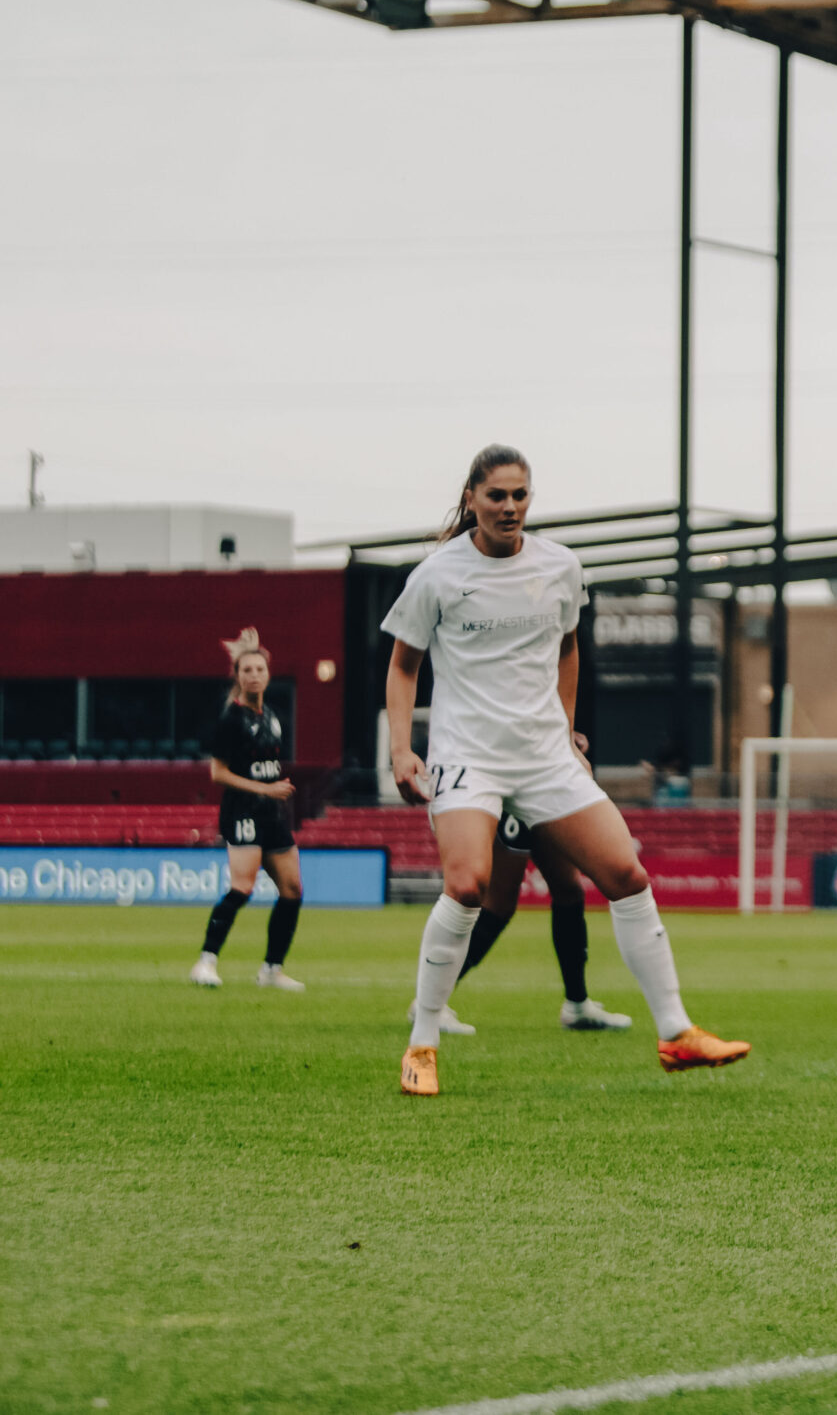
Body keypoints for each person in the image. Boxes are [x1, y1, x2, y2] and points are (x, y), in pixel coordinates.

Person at [383, 444, 748, 1096]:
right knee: (467, 885)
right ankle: (424, 1040)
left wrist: (567, 726)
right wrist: (401, 749)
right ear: (472, 498)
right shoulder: (437, 574)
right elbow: (404, 665)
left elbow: (567, 646)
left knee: (627, 875)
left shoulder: (560, 566)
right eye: (497, 495)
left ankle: (676, 1032)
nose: (510, 507)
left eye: (520, 494)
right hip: (467, 753)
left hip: (544, 754)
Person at [405, 814, 635, 1037]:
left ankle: (577, 1004)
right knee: (499, 903)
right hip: (514, 790)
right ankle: (430, 1002)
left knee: (568, 889)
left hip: (545, 787)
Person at [189, 630, 305, 991]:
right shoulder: (231, 719)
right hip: (242, 812)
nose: (254, 675)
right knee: (242, 887)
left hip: (271, 814)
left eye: (259, 669)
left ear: (268, 674)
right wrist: (266, 788)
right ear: (237, 676)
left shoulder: (272, 715)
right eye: (246, 669)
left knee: (293, 890)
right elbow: (218, 773)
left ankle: (272, 970)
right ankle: (206, 961)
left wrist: (274, 790)